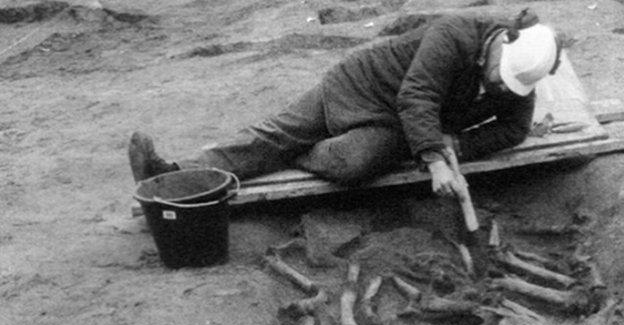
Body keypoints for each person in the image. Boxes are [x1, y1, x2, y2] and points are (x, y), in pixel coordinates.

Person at [128, 10, 560, 198]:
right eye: (496, 75)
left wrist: (457, 147)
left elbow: (514, 130)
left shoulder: (522, 72)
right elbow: (418, 94)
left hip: (397, 126)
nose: (496, 86)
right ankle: (170, 176)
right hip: (360, 86)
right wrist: (435, 161)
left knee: (354, 165)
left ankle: (298, 154)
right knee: (275, 134)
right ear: (504, 41)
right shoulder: (455, 33)